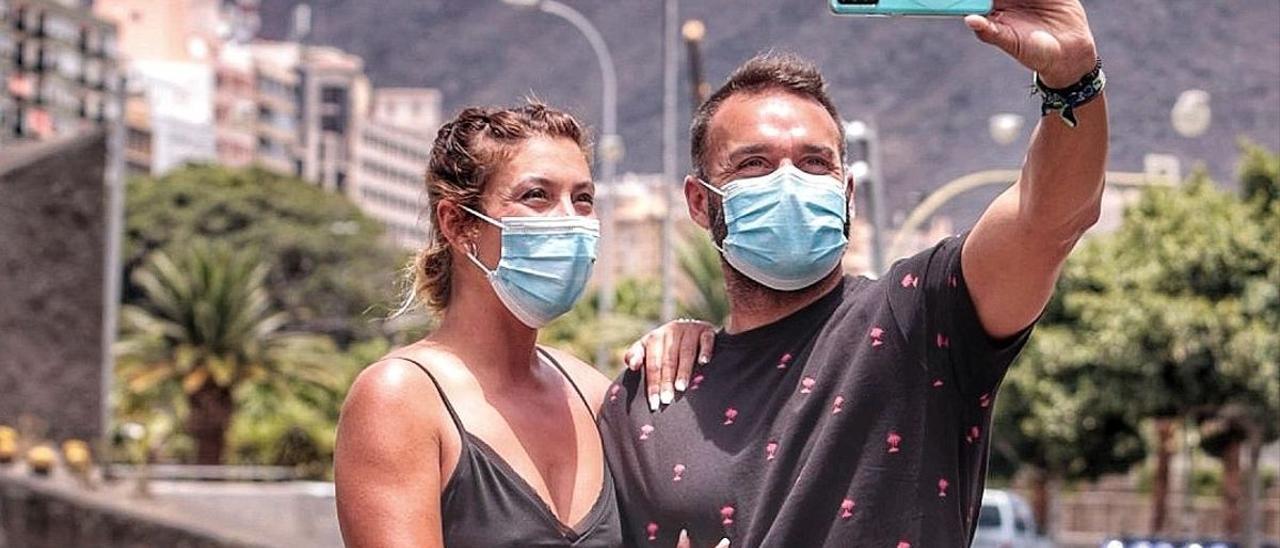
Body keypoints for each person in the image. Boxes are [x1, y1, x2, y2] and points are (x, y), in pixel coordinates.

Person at [600, 1, 1107, 546]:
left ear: (846, 194)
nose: (789, 182)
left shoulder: (919, 320)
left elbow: (1048, 217)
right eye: (755, 164)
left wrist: (1072, 82)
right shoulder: (650, 397)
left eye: (815, 162)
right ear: (700, 203)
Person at [333, 102, 714, 547]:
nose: (570, 219)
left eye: (583, 198)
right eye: (537, 196)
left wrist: (694, 341)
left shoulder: (590, 395)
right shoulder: (400, 398)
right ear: (457, 224)